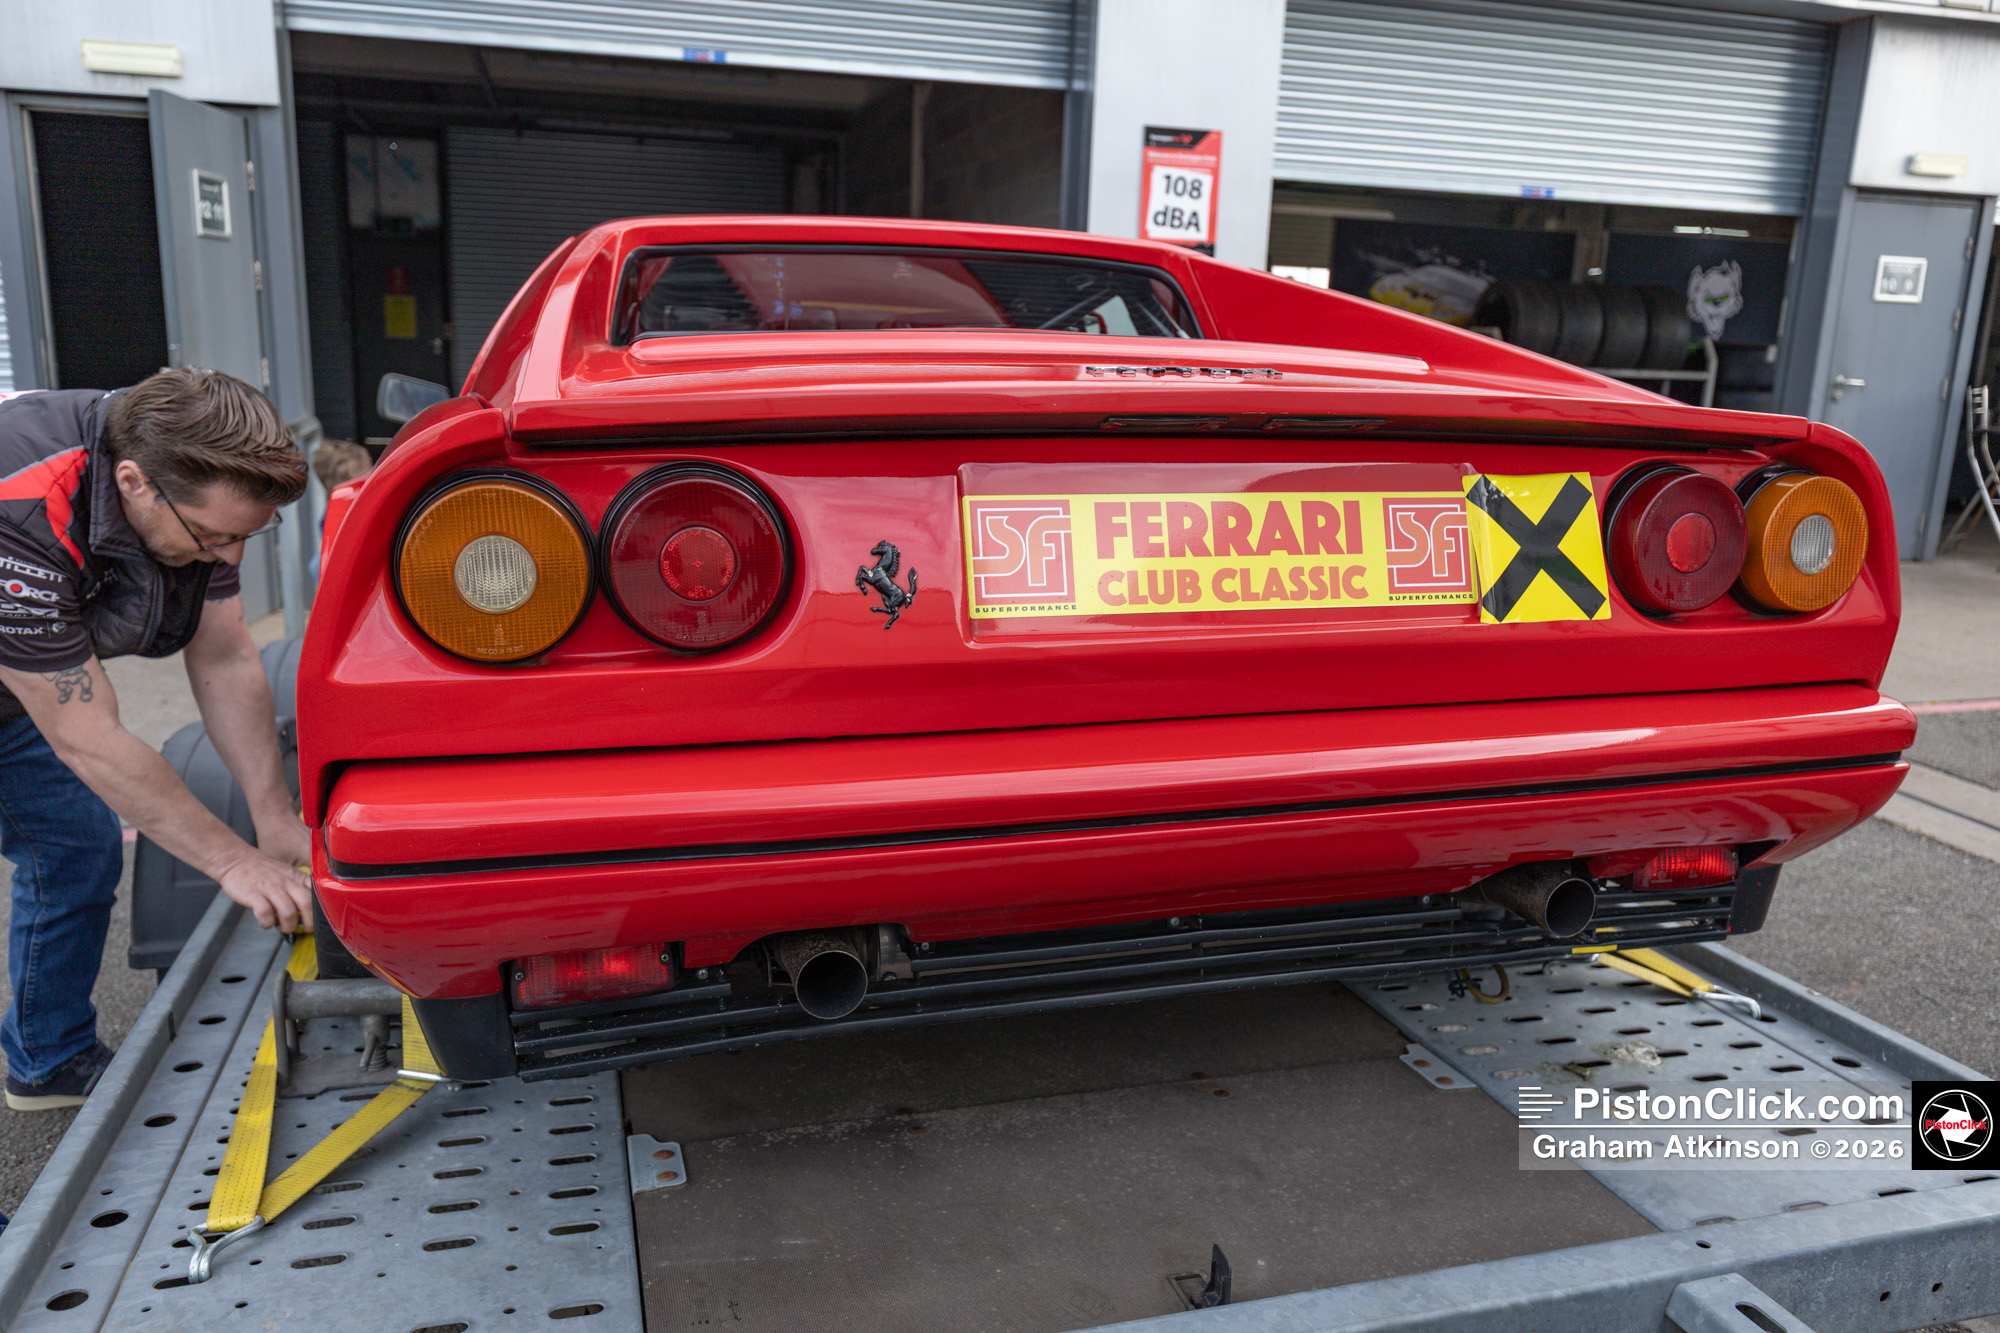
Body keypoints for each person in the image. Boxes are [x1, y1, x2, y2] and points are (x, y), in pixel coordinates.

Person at [0, 370, 311, 1112]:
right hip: (32, 680)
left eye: (247, 534)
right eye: (212, 535)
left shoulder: (184, 474)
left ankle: (48, 1059)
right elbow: (90, 737)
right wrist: (233, 861)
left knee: (76, 844)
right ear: (133, 482)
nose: (229, 556)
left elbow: (226, 657)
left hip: (16, 686)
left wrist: (271, 820)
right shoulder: (21, 505)